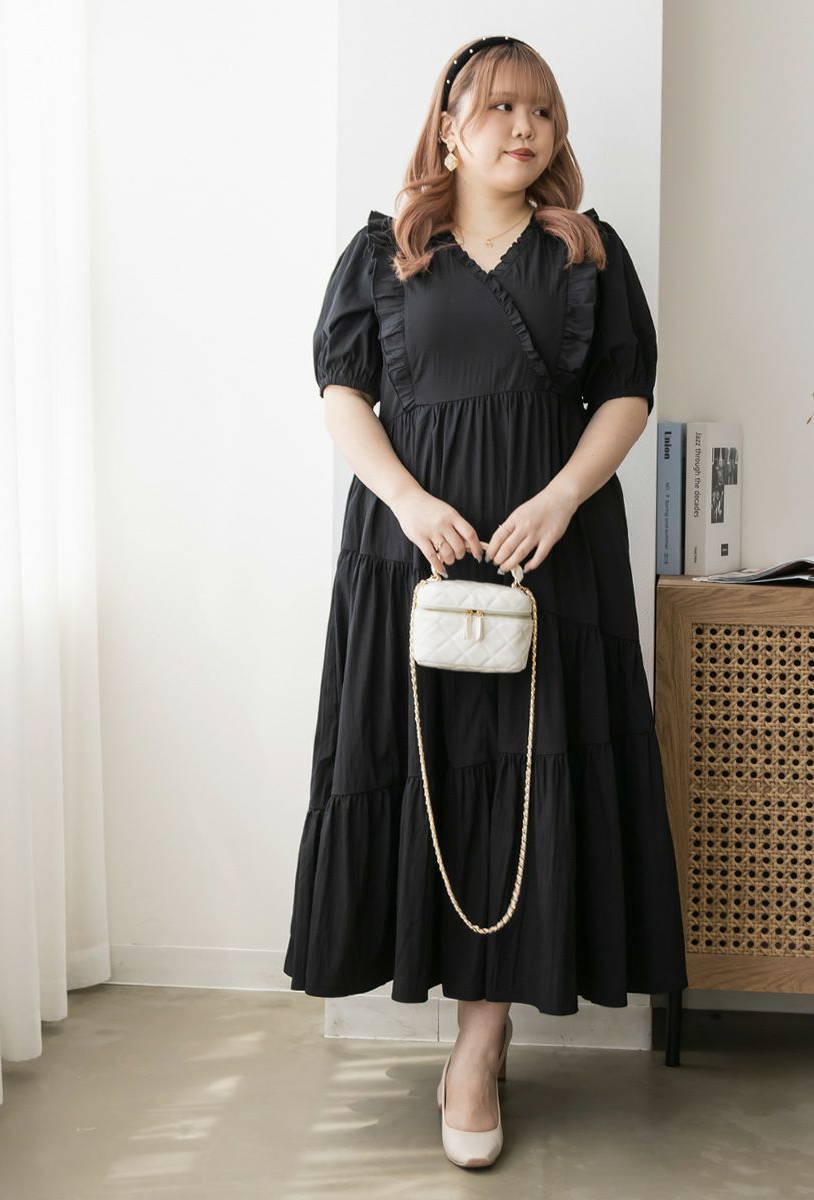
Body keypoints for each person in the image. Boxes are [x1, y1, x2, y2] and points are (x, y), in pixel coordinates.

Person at [283, 34, 688, 1169]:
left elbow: (626, 393)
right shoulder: (384, 252)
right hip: (410, 555)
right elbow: (342, 392)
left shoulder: (587, 253)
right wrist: (408, 500)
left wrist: (562, 497)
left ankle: (478, 1045)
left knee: (521, 785)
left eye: (544, 113)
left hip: (546, 559)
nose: (526, 129)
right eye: (503, 108)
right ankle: (463, 1029)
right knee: (428, 775)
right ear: (449, 127)